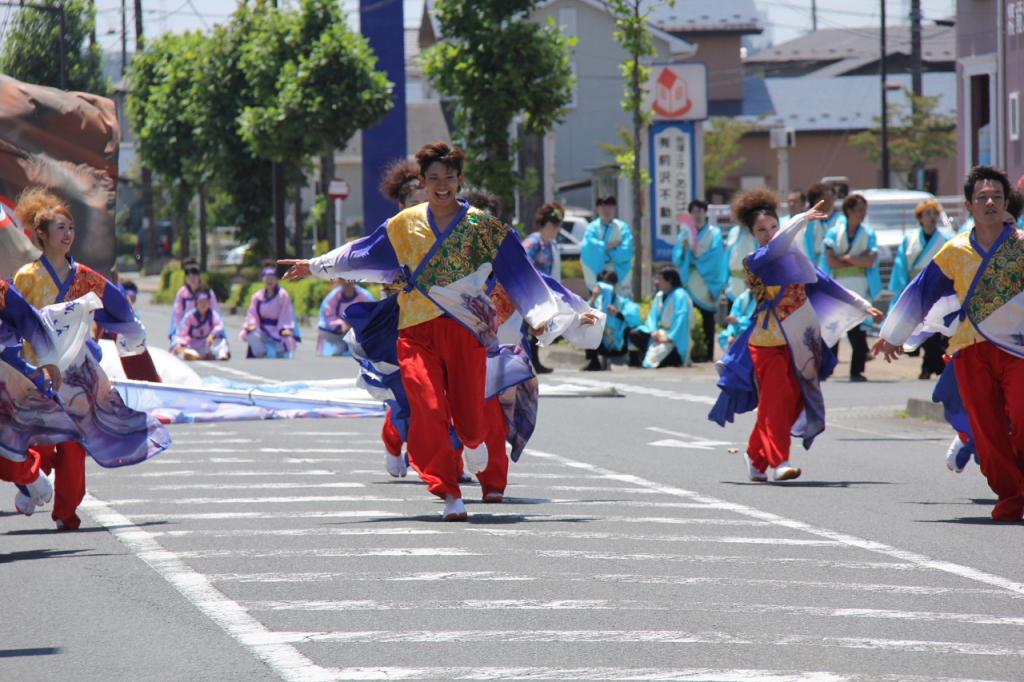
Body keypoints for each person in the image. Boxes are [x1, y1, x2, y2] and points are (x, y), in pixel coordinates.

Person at [279, 141, 597, 521]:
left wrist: (561, 316)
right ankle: (449, 493)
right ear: (424, 181)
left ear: (460, 180)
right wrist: (315, 266)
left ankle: (474, 443)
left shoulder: (483, 227)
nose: (441, 185)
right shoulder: (404, 225)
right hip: (415, 332)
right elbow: (361, 252)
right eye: (433, 178)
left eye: (449, 177)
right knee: (427, 407)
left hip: (466, 332)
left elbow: (522, 272)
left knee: (472, 419)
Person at [873, 165, 1024, 522]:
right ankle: (1012, 496)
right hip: (970, 350)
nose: (990, 202)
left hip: (1018, 349)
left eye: (997, 196)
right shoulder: (954, 251)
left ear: (1006, 203)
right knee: (987, 430)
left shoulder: (1020, 247)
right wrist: (894, 336)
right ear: (969, 205)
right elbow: (922, 293)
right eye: (982, 197)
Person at [12, 187, 170, 529]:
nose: (68, 234)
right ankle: (30, 479)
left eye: (71, 228)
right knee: (31, 435)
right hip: (35, 372)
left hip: (77, 373)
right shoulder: (26, 277)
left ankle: (66, 511)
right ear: (42, 235)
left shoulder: (84, 277)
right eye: (60, 228)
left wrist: (127, 327)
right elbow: (10, 319)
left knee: (73, 442)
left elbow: (118, 306)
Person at [709, 189, 883, 483]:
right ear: (752, 234)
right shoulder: (756, 260)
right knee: (775, 401)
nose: (769, 233)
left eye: (774, 227)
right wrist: (801, 220)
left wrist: (862, 305)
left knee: (792, 401)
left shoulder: (796, 258)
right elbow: (776, 249)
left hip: (801, 342)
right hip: (767, 342)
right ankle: (779, 461)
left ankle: (755, 454)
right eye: (761, 230)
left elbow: (824, 282)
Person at [821, 193, 881, 381]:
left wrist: (846, 258)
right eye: (858, 210)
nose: (862, 214)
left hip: (859, 284)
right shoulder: (834, 232)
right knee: (834, 328)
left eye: (864, 210)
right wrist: (856, 259)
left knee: (858, 328)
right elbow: (831, 262)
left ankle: (857, 370)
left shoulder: (868, 233)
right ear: (848, 211)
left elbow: (870, 260)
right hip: (839, 285)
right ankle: (828, 368)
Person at [888, 199, 949, 379]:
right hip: (916, 287)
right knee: (921, 326)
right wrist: (902, 289)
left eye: (934, 213)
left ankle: (929, 366)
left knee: (935, 327)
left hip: (938, 288)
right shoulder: (910, 239)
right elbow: (901, 264)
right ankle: (932, 366)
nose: (932, 218)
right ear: (920, 218)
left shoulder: (945, 238)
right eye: (927, 213)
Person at [673, 199, 726, 362]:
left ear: (705, 213)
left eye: (700, 211)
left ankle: (708, 353)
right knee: (689, 317)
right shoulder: (685, 233)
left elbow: (716, 257)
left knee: (707, 318)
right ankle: (692, 353)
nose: (697, 215)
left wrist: (696, 259)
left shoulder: (714, 232)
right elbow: (677, 258)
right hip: (691, 280)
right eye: (694, 211)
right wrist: (685, 248)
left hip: (707, 281)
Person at [522, 202, 564, 374]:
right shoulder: (534, 242)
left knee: (539, 327)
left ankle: (535, 360)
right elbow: (523, 263)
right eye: (552, 225)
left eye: (557, 226)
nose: (555, 230)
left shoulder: (551, 245)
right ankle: (527, 360)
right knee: (526, 328)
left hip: (543, 292)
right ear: (545, 225)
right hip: (529, 290)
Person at [628, 267, 693, 368]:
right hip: (658, 333)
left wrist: (669, 338)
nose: (657, 282)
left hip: (672, 337)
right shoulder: (660, 295)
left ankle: (674, 358)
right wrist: (654, 332)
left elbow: (682, 318)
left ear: (669, 280)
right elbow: (653, 316)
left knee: (654, 360)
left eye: (660, 279)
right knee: (635, 334)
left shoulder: (681, 295)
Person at [583, 271, 640, 371]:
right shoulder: (597, 301)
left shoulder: (623, 302)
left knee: (634, 331)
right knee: (587, 327)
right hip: (602, 342)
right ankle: (594, 361)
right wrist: (593, 297)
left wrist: (618, 314)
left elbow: (634, 319)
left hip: (619, 342)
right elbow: (585, 315)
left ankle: (634, 359)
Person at [240, 261, 298, 359]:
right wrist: (252, 325)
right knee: (251, 335)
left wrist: (285, 329)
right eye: (267, 278)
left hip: (278, 329)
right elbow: (252, 314)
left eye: (272, 278)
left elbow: (286, 313)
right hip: (262, 330)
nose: (269, 281)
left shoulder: (282, 295)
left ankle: (277, 350)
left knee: (287, 338)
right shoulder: (257, 297)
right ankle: (264, 352)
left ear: (276, 280)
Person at [581, 195, 633, 298]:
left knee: (619, 302)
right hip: (599, 272)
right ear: (597, 208)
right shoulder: (592, 228)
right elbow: (589, 248)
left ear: (615, 208)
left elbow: (627, 250)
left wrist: (604, 249)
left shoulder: (622, 227)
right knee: (598, 300)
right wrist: (611, 246)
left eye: (610, 206)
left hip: (618, 272)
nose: (606, 210)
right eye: (603, 206)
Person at [169, 256, 222, 346]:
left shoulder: (208, 292)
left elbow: (216, 314)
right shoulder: (182, 293)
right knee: (177, 344)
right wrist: (178, 333)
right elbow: (177, 316)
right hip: (187, 331)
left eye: (194, 272)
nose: (191, 276)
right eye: (188, 273)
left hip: (207, 331)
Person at [316, 279, 375, 357]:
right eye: (344, 280)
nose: (347, 283)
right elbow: (328, 315)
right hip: (336, 332)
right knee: (338, 347)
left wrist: (356, 325)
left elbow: (371, 312)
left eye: (350, 279)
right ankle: (340, 345)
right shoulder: (333, 296)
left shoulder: (364, 295)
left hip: (358, 331)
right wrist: (341, 324)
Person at [172, 284, 231, 361]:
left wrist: (212, 335)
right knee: (185, 350)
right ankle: (191, 355)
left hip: (208, 343)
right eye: (200, 302)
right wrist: (182, 344)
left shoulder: (212, 315)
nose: (203, 304)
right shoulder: (190, 317)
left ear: (209, 303)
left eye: (205, 302)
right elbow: (183, 333)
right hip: (194, 344)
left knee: (221, 342)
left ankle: (221, 354)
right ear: (196, 303)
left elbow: (220, 325)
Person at [804, 182, 840, 264]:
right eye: (825, 198)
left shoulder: (841, 219)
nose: (830, 201)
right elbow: (808, 248)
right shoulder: (808, 221)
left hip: (836, 266)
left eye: (832, 197)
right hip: (815, 266)